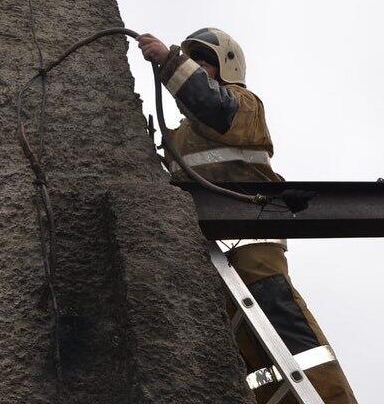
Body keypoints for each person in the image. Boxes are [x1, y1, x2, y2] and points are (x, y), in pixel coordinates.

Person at [137, 28, 357, 404]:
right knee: (245, 357)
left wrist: (169, 60)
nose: (195, 68)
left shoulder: (244, 106)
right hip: (209, 256)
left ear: (226, 68)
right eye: (191, 62)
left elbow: (215, 108)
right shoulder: (180, 136)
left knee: (290, 336)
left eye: (202, 61)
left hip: (252, 246)